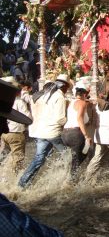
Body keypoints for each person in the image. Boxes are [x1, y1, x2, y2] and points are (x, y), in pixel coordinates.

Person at [0, 78, 63, 236]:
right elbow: (22, 229)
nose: (5, 127)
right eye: (1, 122)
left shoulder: (39, 96)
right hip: (43, 132)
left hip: (40, 132)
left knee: (32, 158)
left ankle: (18, 181)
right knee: (20, 158)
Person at [18, 74, 70, 188]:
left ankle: (23, 183)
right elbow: (60, 119)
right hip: (52, 133)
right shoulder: (59, 97)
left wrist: (24, 90)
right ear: (65, 87)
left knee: (39, 159)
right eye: (67, 88)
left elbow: (26, 97)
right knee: (68, 156)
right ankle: (67, 183)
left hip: (40, 132)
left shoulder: (39, 96)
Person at [0, 77, 31, 173]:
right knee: (18, 159)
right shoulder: (19, 102)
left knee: (3, 155)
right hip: (16, 133)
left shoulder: (5, 102)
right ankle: (15, 179)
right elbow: (28, 118)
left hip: (5, 135)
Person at [61, 87, 92, 176]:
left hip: (65, 133)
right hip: (76, 133)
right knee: (81, 155)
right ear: (84, 95)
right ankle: (71, 181)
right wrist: (86, 136)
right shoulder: (82, 103)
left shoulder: (71, 103)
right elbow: (79, 118)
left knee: (75, 156)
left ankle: (67, 174)